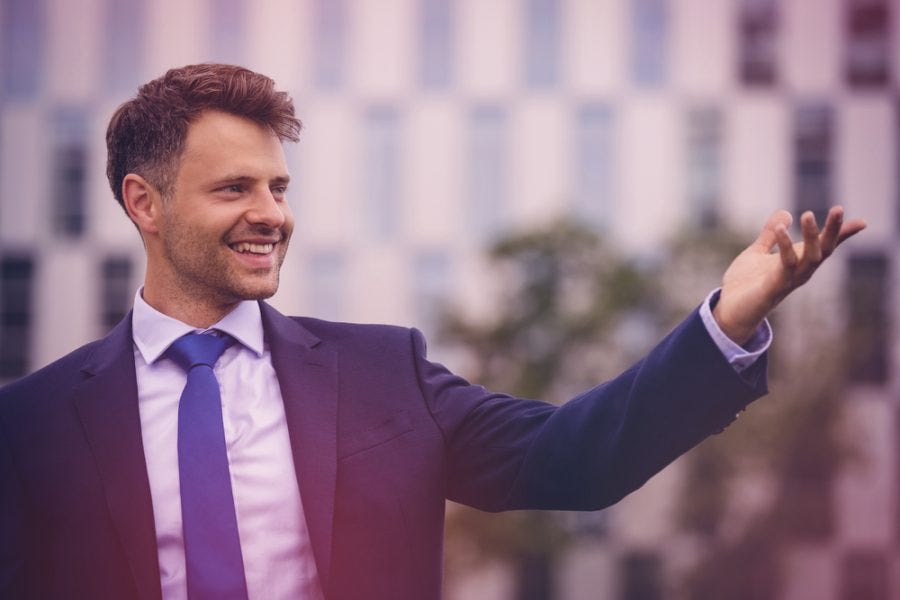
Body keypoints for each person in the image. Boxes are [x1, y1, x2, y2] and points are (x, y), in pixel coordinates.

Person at [0, 63, 866, 600]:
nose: (272, 215)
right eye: (235, 190)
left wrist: (727, 319)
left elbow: (580, 458)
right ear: (143, 204)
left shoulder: (384, 373)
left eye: (279, 187)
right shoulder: (29, 424)